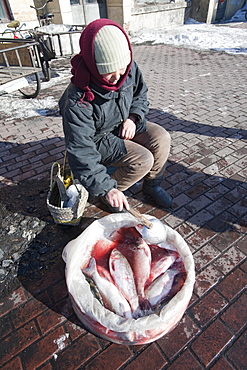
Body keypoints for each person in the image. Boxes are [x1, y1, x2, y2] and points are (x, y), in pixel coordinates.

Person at [59, 18, 172, 213]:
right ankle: (109, 194)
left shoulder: (128, 67)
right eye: (109, 73)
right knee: (143, 159)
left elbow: (140, 94)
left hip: (122, 121)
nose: (118, 77)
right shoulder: (78, 97)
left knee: (161, 137)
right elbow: (81, 149)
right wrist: (106, 188)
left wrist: (134, 117)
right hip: (98, 137)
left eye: (122, 70)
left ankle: (152, 185)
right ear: (95, 67)